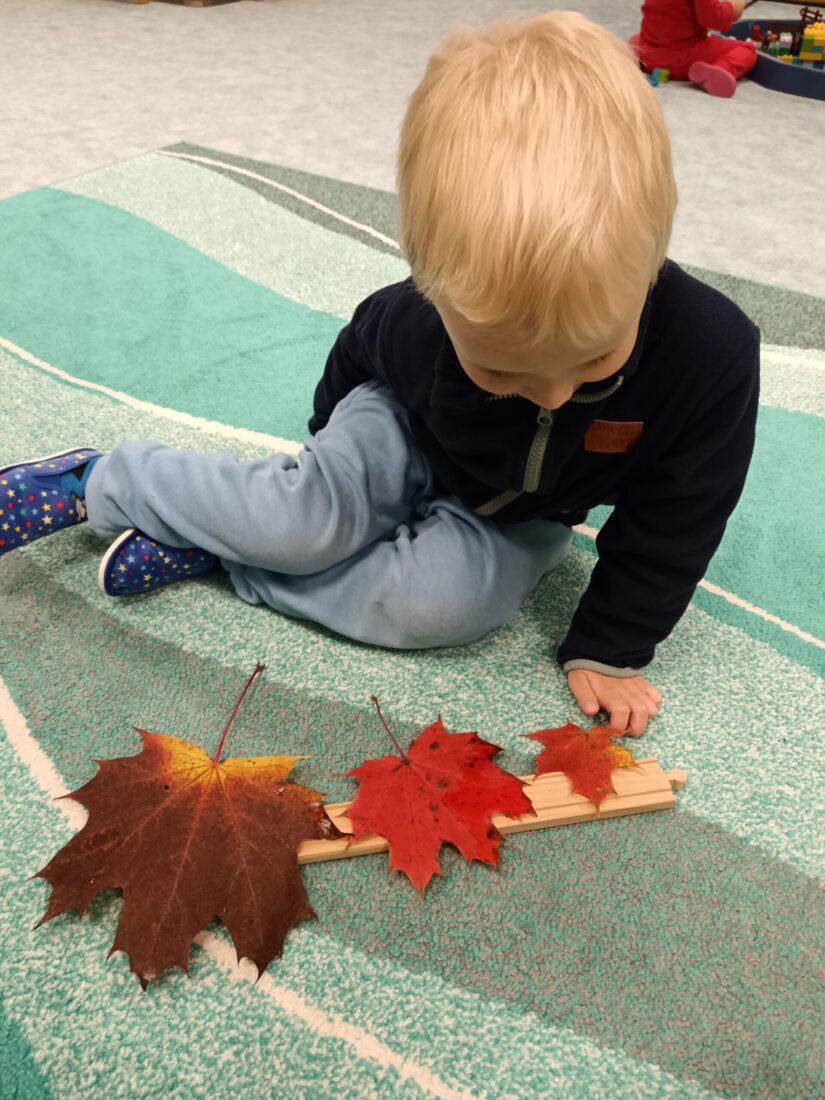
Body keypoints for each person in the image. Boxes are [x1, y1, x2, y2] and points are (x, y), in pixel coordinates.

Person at [0, 12, 759, 735]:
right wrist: (326, 450)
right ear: (431, 288)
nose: (557, 394)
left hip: (519, 515)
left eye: (593, 361)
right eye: (499, 367)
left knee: (439, 611)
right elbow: (359, 349)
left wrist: (610, 644)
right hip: (400, 428)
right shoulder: (417, 319)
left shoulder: (710, 358)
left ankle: (220, 557)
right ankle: (98, 482)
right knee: (300, 525)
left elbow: (677, 519)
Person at [637, 0, 758, 97]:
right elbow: (713, 18)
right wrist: (733, 8)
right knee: (747, 49)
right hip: (682, 58)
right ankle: (717, 70)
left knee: (642, 37)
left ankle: (633, 55)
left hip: (648, 54)